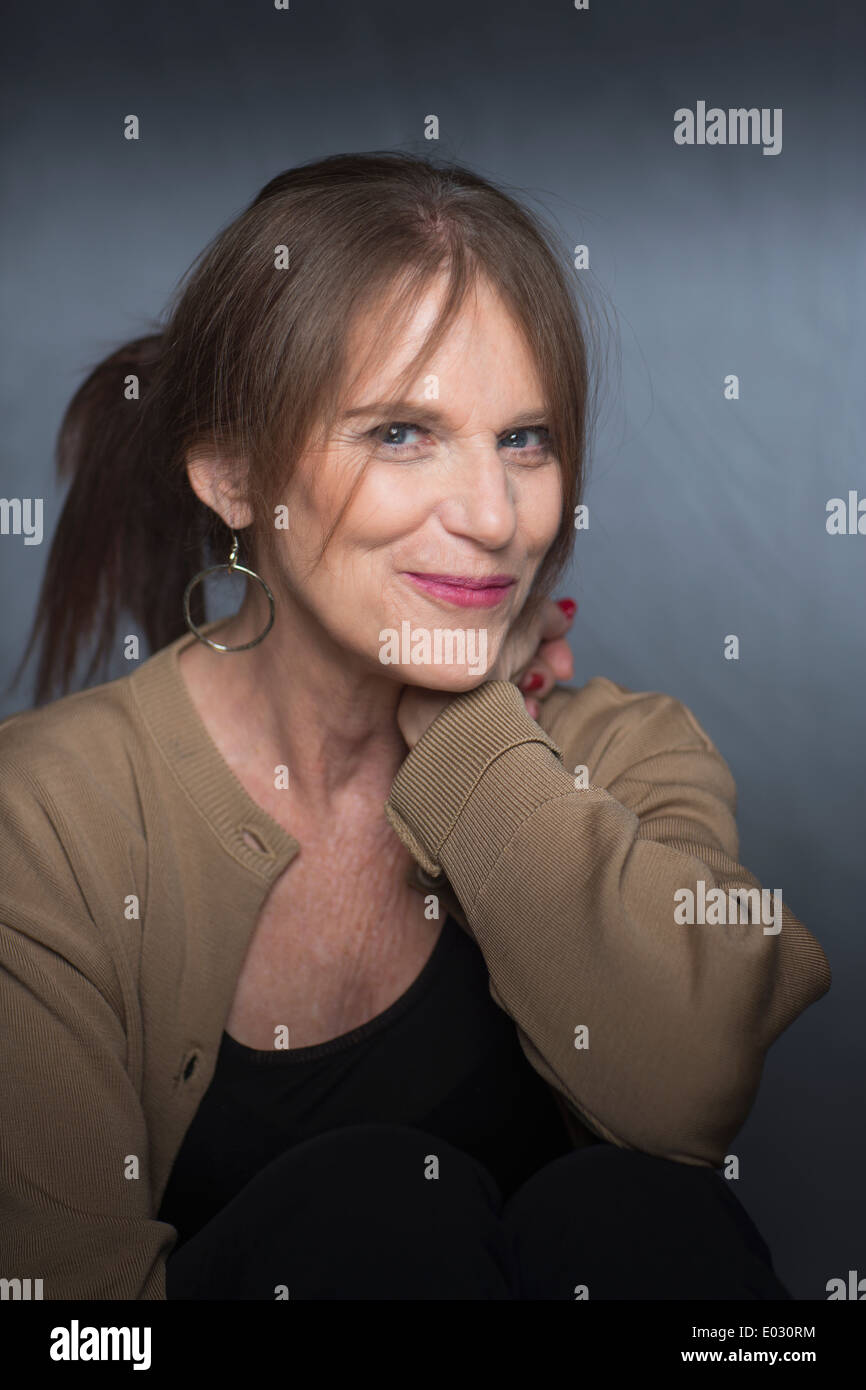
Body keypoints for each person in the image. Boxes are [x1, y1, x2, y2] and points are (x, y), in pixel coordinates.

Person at [0, 151, 830, 1301]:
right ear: (233, 474)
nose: (492, 517)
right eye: (400, 433)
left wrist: (464, 722)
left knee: (635, 1207)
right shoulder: (42, 818)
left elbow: (687, 1102)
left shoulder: (627, 752)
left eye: (524, 439)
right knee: (373, 1210)